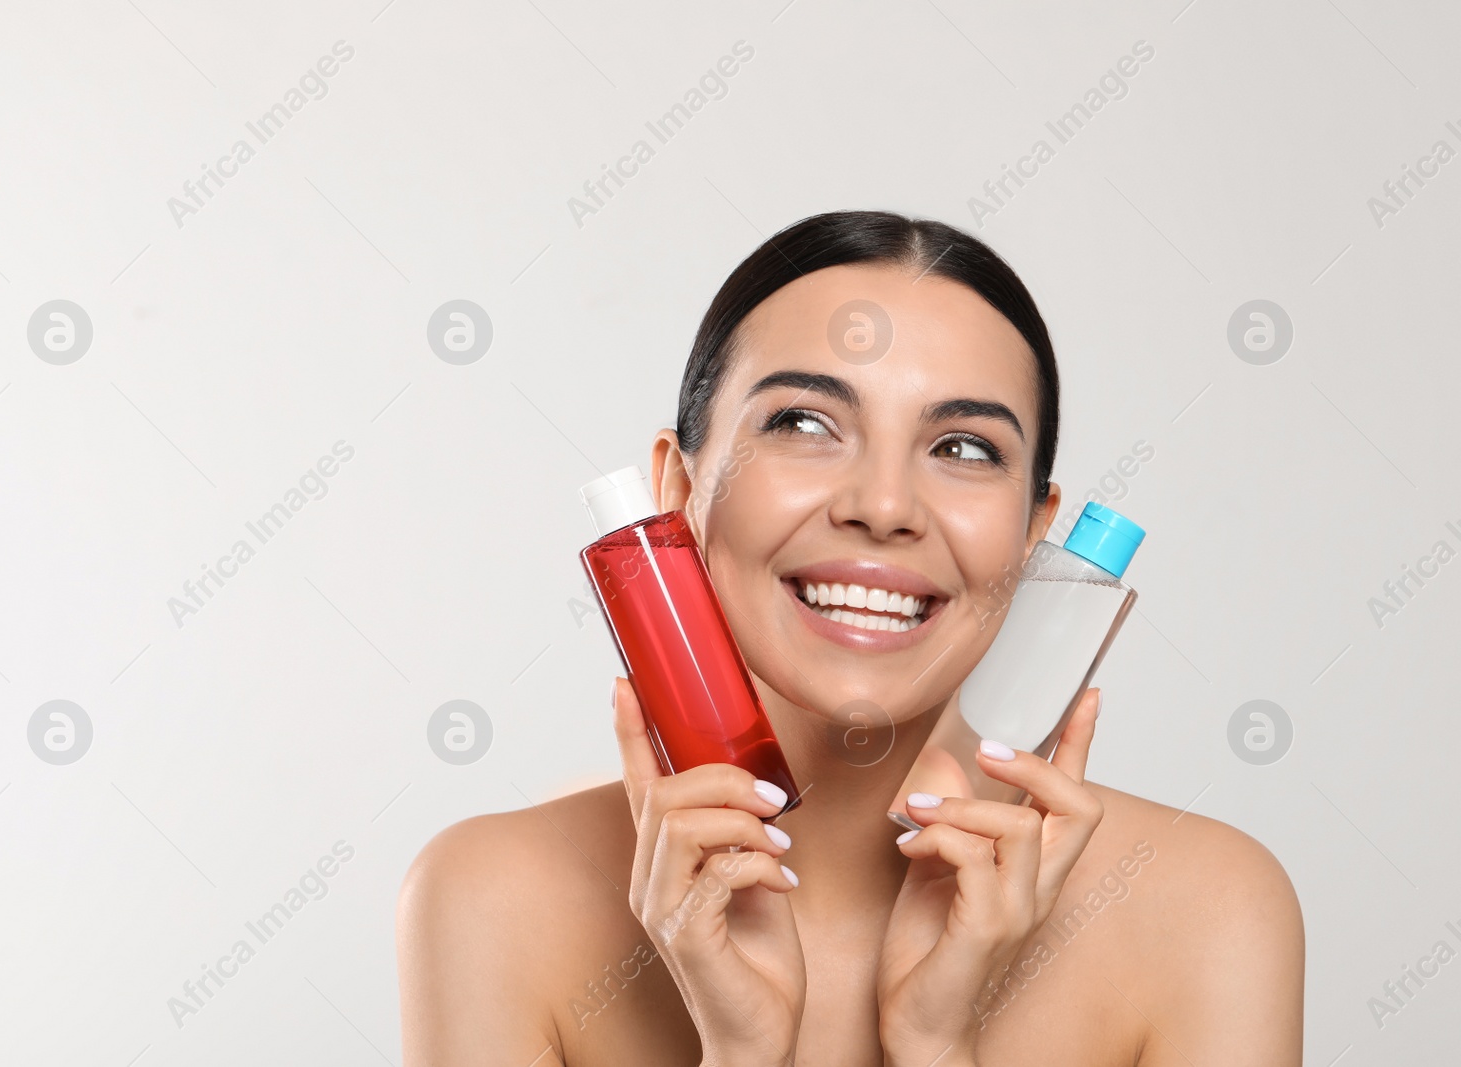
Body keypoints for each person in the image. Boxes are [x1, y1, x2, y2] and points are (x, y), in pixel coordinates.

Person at [398, 211, 1305, 1065]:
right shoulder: (491, 901)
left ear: (1036, 534)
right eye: (803, 422)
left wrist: (936, 1046)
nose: (882, 507)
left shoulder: (1209, 910)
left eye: (964, 448)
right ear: (676, 489)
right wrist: (744, 1054)